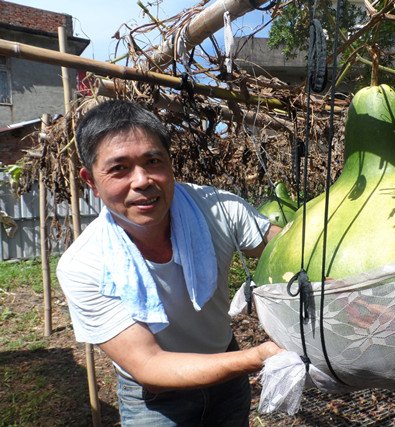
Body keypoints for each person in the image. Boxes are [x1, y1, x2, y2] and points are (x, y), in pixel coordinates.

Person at [56, 99, 282, 426]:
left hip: (228, 381)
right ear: (90, 180)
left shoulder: (220, 210)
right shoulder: (84, 265)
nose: (142, 180)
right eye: (119, 168)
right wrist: (258, 356)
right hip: (155, 402)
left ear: (171, 164)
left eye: (153, 161)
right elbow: (149, 366)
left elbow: (295, 254)